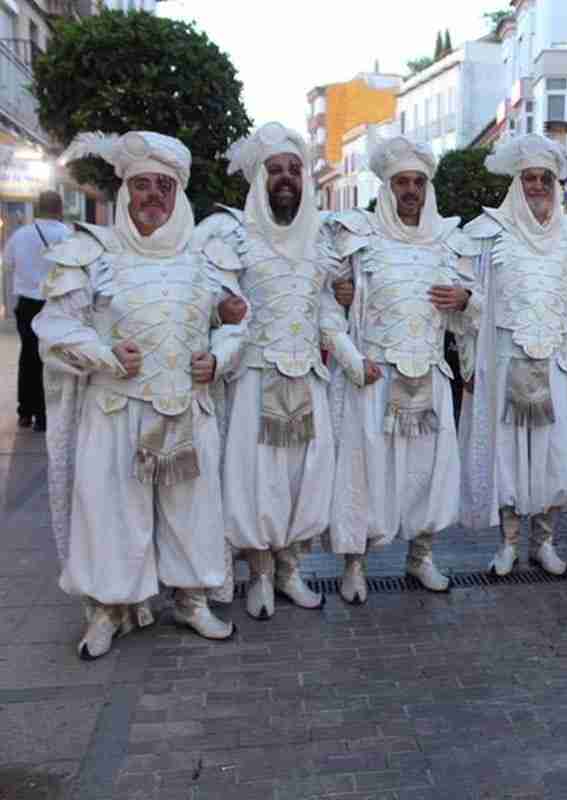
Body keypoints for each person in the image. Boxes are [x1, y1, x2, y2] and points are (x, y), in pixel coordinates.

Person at [34, 131, 245, 658]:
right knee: (109, 512)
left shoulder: (207, 259)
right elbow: (56, 328)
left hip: (186, 411)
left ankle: (192, 600)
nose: (154, 196)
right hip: (114, 412)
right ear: (126, 191)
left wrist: (218, 356)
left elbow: (240, 322)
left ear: (178, 195)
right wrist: (104, 355)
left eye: (164, 187)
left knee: (192, 510)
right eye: (143, 185)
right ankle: (108, 610)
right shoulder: (90, 253)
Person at [321, 130, 476, 601]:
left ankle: (421, 556)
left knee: (425, 474)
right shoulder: (357, 237)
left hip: (428, 375)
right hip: (373, 377)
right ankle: (355, 564)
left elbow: (478, 309)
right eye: (401, 183)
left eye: (418, 182)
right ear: (386, 188)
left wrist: (466, 300)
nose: (410, 191)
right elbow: (325, 304)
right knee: (365, 473)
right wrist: (350, 354)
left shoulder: (449, 239)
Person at [192, 122, 329, 619]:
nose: (287, 178)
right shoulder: (229, 233)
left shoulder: (321, 236)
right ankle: (261, 575)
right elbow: (200, 295)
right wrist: (218, 313)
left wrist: (353, 358)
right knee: (257, 482)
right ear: (259, 178)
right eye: (276, 169)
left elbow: (327, 309)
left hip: (308, 380)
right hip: (253, 379)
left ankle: (291, 568)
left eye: (295, 169)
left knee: (303, 480)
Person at [458, 134, 567, 577]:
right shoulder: (487, 236)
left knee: (554, 456)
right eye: (529, 179)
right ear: (516, 184)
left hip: (555, 366)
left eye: (544, 179)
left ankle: (545, 542)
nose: (537, 186)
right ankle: (508, 542)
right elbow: (469, 299)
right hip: (504, 363)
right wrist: (470, 363)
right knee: (509, 457)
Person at [5, 191, 70, 431]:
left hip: (27, 305)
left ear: (37, 208)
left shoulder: (20, 235)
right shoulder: (67, 236)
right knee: (52, 359)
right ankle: (46, 416)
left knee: (29, 357)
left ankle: (25, 412)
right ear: (59, 208)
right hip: (56, 304)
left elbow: (8, 264)